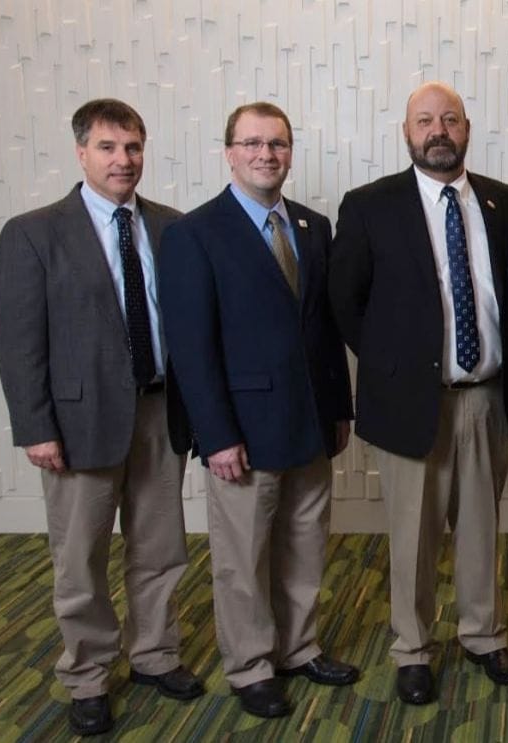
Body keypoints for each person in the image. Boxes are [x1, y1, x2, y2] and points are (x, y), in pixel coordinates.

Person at [0, 98, 202, 736]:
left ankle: (155, 654)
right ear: (81, 152)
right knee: (80, 558)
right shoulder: (34, 232)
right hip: (78, 422)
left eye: (133, 147)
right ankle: (87, 674)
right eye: (108, 147)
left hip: (160, 412)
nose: (123, 160)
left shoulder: (172, 227)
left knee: (161, 548)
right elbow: (19, 342)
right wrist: (35, 428)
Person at [158, 102, 358, 719]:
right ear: (229, 153)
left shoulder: (313, 226)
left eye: (277, 143)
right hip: (241, 432)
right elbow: (191, 349)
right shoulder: (194, 233)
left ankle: (299, 648)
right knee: (243, 558)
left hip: (311, 420)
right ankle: (250, 666)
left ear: (290, 152)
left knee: (305, 543)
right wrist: (215, 434)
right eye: (252, 143)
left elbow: (324, 329)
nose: (266, 154)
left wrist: (339, 409)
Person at [328, 81, 508, 705]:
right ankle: (412, 647)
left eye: (449, 119)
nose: (438, 131)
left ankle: (483, 635)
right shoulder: (369, 206)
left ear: (467, 129)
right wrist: (394, 367)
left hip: (486, 394)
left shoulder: (505, 202)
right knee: (412, 535)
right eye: (424, 121)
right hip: (410, 400)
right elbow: (345, 302)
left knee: (481, 527)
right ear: (407, 132)